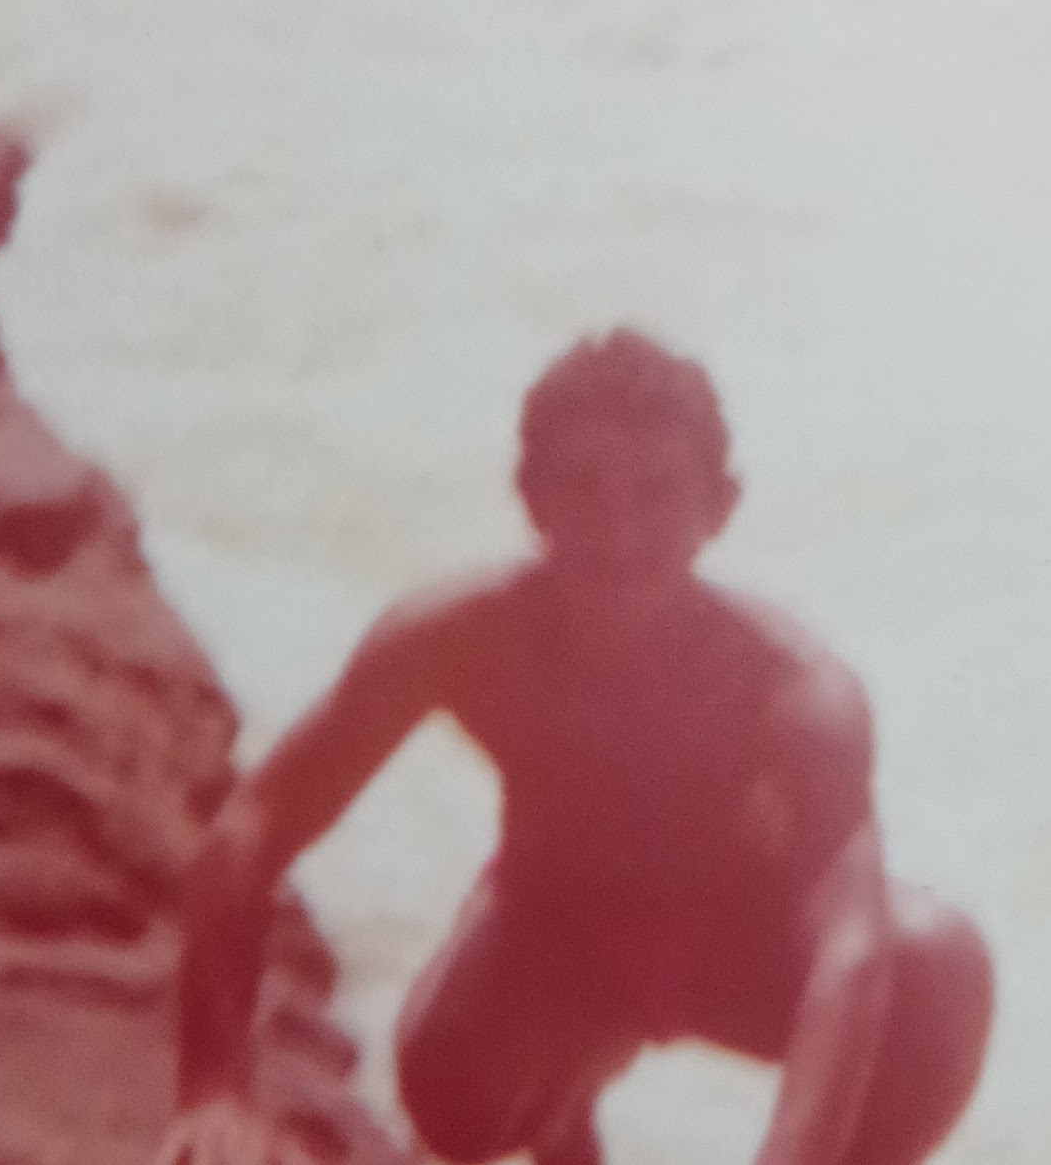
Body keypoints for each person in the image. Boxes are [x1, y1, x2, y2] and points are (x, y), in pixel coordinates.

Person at [154, 331, 994, 1165]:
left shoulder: (794, 692)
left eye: (657, 492)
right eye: (582, 486)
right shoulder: (459, 638)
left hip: (738, 949)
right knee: (447, 1085)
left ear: (720, 505)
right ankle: (566, 1129)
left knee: (941, 969)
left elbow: (849, 952)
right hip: (563, 935)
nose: (618, 530)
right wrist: (214, 1092)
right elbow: (251, 826)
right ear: (530, 497)